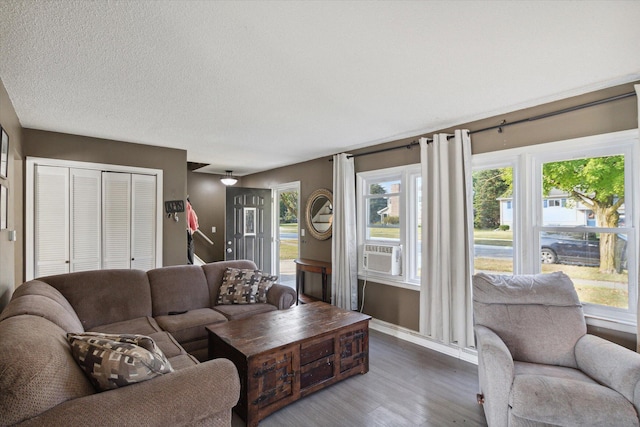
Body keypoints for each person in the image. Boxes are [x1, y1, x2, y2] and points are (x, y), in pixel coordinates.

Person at [186, 197, 199, 264]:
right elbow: (194, 226)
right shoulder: (189, 208)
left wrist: (190, 231)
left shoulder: (189, 208)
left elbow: (194, 226)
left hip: (187, 233)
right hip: (186, 233)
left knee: (188, 257)